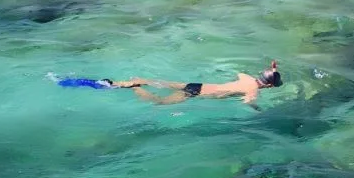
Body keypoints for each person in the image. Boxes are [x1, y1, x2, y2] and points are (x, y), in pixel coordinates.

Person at [111, 60, 283, 109]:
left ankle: (135, 80)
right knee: (160, 103)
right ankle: (134, 87)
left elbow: (239, 73)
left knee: (162, 83)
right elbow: (248, 102)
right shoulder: (253, 91)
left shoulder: (246, 78)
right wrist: (258, 109)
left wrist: (272, 69)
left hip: (197, 85)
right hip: (196, 94)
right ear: (268, 86)